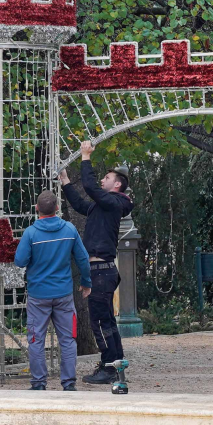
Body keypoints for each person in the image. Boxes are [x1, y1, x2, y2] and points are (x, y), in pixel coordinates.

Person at [58, 140, 133, 384]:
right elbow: (81, 204)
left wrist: (86, 156)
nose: (102, 180)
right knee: (107, 321)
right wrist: (66, 182)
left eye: (107, 178)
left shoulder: (115, 203)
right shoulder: (103, 206)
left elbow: (90, 187)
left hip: (101, 272)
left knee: (100, 322)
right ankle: (115, 364)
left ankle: (109, 368)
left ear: (117, 185)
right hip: (99, 271)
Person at [14, 189, 91, 391]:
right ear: (57, 207)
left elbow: (20, 261)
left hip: (38, 296)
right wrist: (86, 282)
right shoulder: (69, 229)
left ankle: (39, 383)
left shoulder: (31, 233)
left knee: (36, 340)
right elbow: (83, 259)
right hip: (63, 294)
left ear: (37, 208)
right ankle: (69, 383)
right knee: (67, 340)